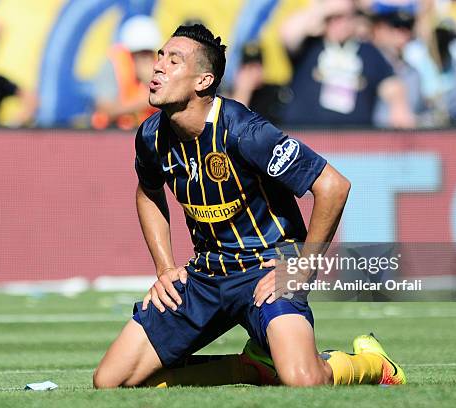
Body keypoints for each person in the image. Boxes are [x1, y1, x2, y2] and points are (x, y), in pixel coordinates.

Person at [93, 23, 406, 388]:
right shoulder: (151, 136)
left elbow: (333, 186)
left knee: (304, 380)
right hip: (207, 273)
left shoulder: (245, 132)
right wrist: (164, 268)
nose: (158, 66)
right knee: (111, 382)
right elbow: (148, 191)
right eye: (160, 56)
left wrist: (303, 267)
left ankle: (373, 362)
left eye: (174, 60)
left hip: (268, 267)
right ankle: (251, 366)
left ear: (203, 81)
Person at [279, 0, 414, 128]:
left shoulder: (367, 51)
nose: (340, 23)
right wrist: (326, 8)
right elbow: (287, 33)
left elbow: (390, 84)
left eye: (345, 17)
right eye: (334, 18)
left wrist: (399, 105)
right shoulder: (309, 46)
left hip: (352, 140)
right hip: (306, 137)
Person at [91, 15, 160, 130]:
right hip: (114, 134)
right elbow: (104, 109)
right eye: (140, 54)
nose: (146, 60)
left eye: (148, 54)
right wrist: (147, 100)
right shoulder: (114, 65)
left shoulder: (161, 67)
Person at [230, 41, 289, 126]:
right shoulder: (227, 94)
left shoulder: (272, 93)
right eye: (249, 68)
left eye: (257, 67)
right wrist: (243, 92)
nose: (254, 73)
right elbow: (232, 125)